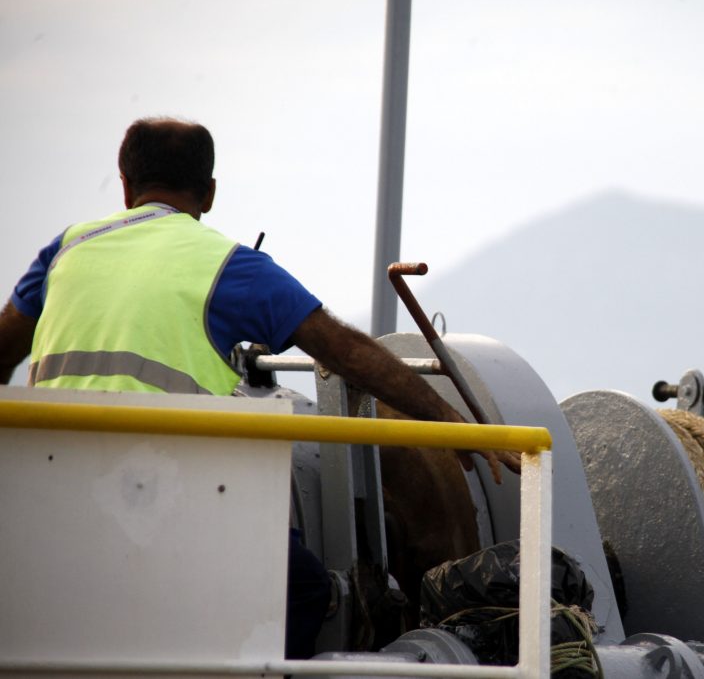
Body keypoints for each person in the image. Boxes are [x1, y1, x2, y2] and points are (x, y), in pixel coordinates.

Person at [0, 117, 519, 658]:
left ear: (125, 186)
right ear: (209, 193)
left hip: (44, 499)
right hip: (161, 499)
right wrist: (447, 422)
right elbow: (345, 351)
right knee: (306, 590)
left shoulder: (65, 250)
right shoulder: (228, 267)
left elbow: (4, 347)